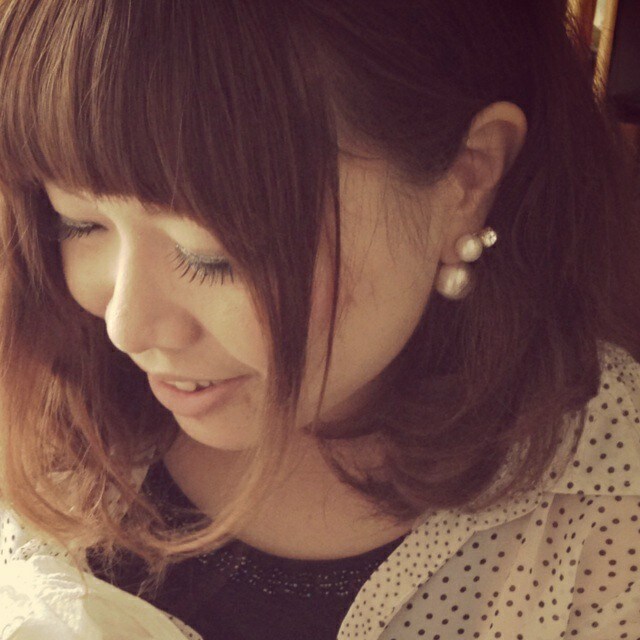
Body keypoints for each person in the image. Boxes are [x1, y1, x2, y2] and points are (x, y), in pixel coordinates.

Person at [0, 1, 638, 638]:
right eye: (78, 222)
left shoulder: (602, 519)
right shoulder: (51, 392)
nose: (126, 326)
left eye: (213, 254)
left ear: (465, 182)